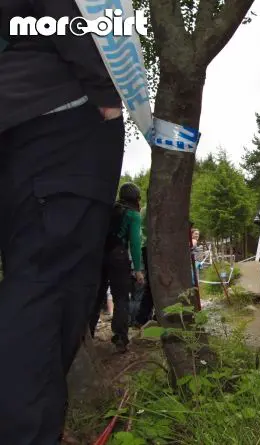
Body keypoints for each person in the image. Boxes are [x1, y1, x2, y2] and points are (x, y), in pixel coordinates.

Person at [0, 2, 124, 444]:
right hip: (59, 120)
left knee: (38, 285)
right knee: (48, 290)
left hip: (26, 120)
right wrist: (108, 90)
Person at [90, 183, 144, 353]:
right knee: (121, 298)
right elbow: (135, 243)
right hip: (119, 257)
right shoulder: (133, 214)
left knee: (96, 295)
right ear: (136, 197)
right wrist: (138, 269)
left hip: (99, 255)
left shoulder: (108, 208)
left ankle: (87, 333)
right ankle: (120, 338)